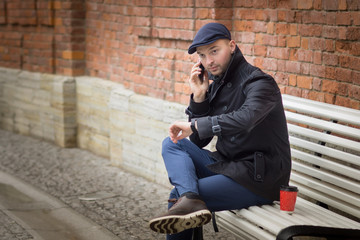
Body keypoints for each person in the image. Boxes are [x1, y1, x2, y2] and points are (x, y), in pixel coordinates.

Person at [149, 22, 291, 239]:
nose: (209, 61)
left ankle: (188, 197)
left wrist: (195, 124)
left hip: (258, 176)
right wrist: (199, 97)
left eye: (214, 51)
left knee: (177, 196)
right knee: (172, 143)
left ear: (232, 46)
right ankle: (190, 196)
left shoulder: (260, 83)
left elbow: (246, 118)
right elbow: (197, 142)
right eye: (203, 55)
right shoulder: (216, 84)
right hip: (228, 166)